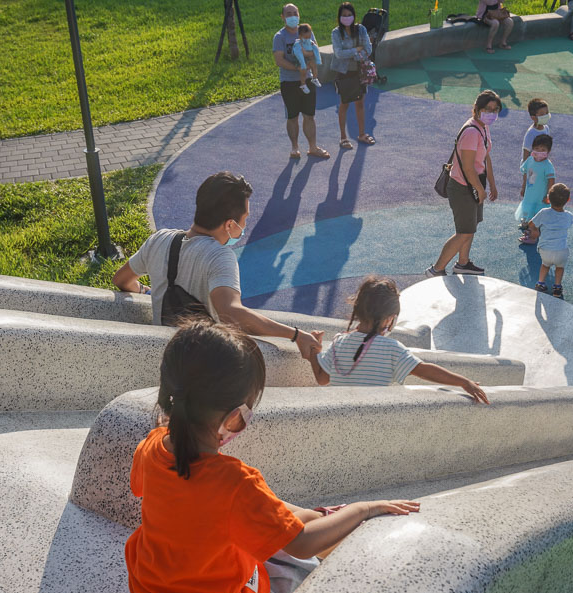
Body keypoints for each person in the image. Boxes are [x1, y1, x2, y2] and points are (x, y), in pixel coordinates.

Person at [125, 319, 421, 593]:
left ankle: (317, 516)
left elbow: (177, 501)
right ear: (232, 417)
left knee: (277, 527)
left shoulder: (151, 447)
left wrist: (301, 516)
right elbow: (302, 543)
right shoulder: (235, 484)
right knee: (305, 570)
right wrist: (365, 509)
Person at [113, 172, 321, 358]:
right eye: (245, 219)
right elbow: (230, 314)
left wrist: (145, 290)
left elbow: (121, 280)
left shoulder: (159, 239)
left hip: (164, 352)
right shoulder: (219, 256)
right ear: (230, 224)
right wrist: (295, 335)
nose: (245, 227)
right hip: (202, 360)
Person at [308, 277, 490, 403]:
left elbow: (322, 379)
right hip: (373, 420)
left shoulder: (338, 342)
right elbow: (424, 370)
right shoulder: (391, 348)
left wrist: (314, 353)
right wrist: (463, 382)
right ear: (389, 318)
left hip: (340, 417)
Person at [425, 90, 502, 278]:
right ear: (477, 109)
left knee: (470, 227)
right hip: (463, 187)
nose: (491, 113)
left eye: (495, 110)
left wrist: (491, 182)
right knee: (464, 232)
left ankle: (463, 263)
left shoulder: (483, 127)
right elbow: (468, 168)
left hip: (474, 185)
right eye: (487, 109)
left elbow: (485, 156)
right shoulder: (471, 132)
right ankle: (436, 269)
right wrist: (480, 190)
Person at [273, 4, 330, 160]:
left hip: (308, 80)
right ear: (283, 17)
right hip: (289, 82)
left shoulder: (306, 32)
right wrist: (298, 69)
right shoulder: (280, 37)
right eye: (288, 14)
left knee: (309, 115)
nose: (292, 16)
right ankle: (294, 148)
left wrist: (308, 63)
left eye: (295, 13)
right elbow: (279, 60)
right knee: (292, 117)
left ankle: (312, 147)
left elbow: (315, 50)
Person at [331, 2, 375, 150]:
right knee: (344, 104)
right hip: (344, 73)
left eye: (349, 15)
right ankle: (343, 137)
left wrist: (351, 53)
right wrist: (357, 49)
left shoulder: (361, 29)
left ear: (354, 16)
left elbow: (368, 49)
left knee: (360, 103)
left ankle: (361, 134)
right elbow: (338, 54)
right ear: (339, 17)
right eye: (344, 15)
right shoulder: (336, 33)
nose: (347, 17)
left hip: (359, 72)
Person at [523, 183, 573, 299]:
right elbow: (568, 225)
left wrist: (535, 231)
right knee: (560, 268)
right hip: (561, 250)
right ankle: (557, 287)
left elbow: (531, 224)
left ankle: (540, 283)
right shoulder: (569, 216)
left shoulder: (543, 213)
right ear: (568, 200)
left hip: (545, 250)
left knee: (545, 265)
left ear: (548, 199)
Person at [517, 135, 556, 241]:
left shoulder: (548, 165)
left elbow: (551, 181)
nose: (539, 152)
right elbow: (525, 173)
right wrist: (523, 186)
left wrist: (549, 195)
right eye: (537, 149)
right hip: (530, 193)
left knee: (537, 213)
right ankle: (526, 223)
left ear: (548, 151)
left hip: (541, 196)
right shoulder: (530, 160)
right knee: (527, 208)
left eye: (543, 150)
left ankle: (532, 234)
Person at [293, 24, 322, 94]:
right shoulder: (298, 44)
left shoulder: (310, 42)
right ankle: (303, 84)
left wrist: (318, 59)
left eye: (309, 37)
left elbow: (316, 49)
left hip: (308, 59)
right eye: (306, 37)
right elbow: (299, 55)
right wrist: (303, 64)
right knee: (303, 71)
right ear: (300, 36)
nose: (308, 39)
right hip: (299, 60)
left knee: (314, 66)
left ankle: (314, 78)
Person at [521, 98, 551, 163]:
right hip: (532, 166)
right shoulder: (531, 133)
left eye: (547, 113)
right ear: (533, 117)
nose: (546, 116)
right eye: (542, 114)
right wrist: (525, 171)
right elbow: (526, 153)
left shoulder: (546, 128)